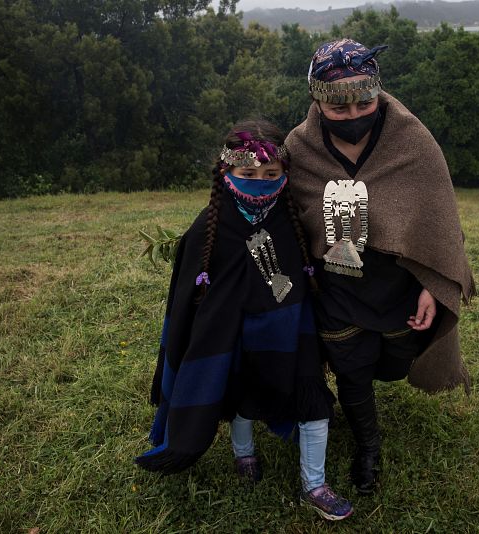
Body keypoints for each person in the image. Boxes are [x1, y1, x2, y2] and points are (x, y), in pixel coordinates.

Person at [135, 119, 353, 521]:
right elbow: (188, 296)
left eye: (271, 174)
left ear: (284, 173)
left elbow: (302, 274)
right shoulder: (210, 226)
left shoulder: (289, 218)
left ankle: (315, 484)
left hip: (290, 325)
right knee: (243, 395)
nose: (261, 182)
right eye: (248, 174)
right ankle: (244, 453)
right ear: (227, 171)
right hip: (236, 330)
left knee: (312, 399)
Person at [284, 39, 476, 495]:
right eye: (339, 109)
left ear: (378, 92)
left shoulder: (411, 138)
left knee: (393, 360)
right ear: (317, 101)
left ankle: (372, 401)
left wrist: (432, 283)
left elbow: (439, 216)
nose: (353, 116)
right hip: (336, 285)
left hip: (398, 286)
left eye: (363, 103)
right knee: (351, 366)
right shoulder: (299, 147)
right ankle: (368, 447)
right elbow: (284, 215)